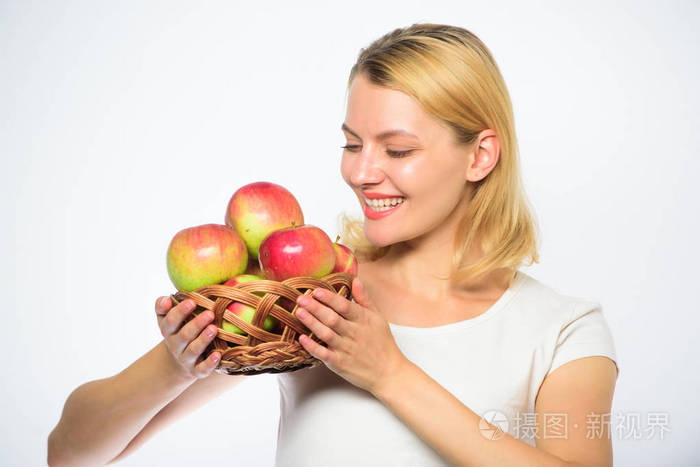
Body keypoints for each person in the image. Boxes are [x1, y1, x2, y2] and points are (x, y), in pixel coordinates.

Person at [48, 23, 619, 467]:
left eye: (397, 151)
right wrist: (179, 366)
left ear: (480, 155)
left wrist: (391, 374)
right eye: (352, 144)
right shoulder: (309, 298)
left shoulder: (564, 327)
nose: (363, 173)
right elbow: (70, 453)